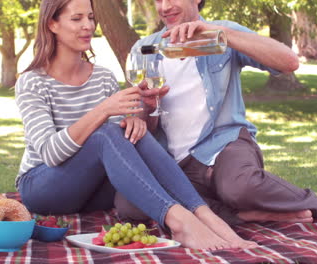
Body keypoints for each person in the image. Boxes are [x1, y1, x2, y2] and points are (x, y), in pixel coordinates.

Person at [15, 0, 257, 250]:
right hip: (43, 188)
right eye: (77, 19)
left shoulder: (102, 77)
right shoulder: (32, 82)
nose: (88, 26)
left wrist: (134, 122)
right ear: (52, 24)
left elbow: (115, 149)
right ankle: (179, 220)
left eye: (90, 17)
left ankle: (205, 215)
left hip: (92, 193)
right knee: (106, 133)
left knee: (129, 135)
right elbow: (50, 153)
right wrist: (104, 111)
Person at [126, 0, 317, 225]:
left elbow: (289, 62)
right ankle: (244, 215)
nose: (164, 7)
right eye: (158, 0)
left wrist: (222, 33)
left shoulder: (222, 32)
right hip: (174, 162)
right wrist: (148, 108)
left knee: (240, 187)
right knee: (130, 204)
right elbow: (142, 126)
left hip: (224, 146)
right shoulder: (145, 49)